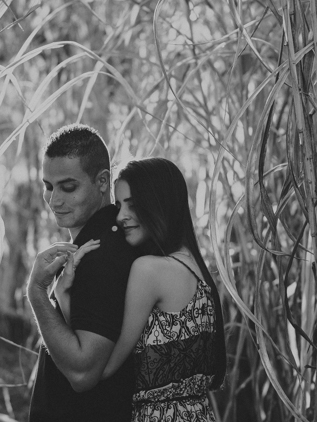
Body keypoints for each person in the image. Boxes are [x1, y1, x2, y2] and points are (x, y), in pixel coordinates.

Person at [57, 157, 227, 421]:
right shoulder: (198, 271)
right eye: (118, 205)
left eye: (133, 205)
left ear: (159, 204)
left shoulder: (149, 270)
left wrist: (62, 295)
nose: (120, 216)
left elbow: (100, 367)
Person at [26, 124, 138, 422]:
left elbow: (83, 373)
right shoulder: (96, 244)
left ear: (102, 181)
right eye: (48, 186)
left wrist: (36, 292)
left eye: (68, 187)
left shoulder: (98, 253)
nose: (54, 200)